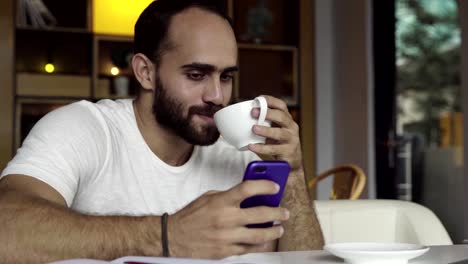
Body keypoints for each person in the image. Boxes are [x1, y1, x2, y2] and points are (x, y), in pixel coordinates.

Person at [0, 0, 324, 262]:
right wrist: (168, 236)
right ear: (145, 73)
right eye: (197, 74)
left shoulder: (238, 155)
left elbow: (306, 260)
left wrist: (293, 173)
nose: (217, 96)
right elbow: (7, 231)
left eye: (226, 77)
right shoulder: (84, 129)